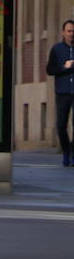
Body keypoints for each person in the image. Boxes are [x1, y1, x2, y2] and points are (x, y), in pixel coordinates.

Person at [46, 18, 74, 167]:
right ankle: (66, 151)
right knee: (61, 125)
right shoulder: (57, 49)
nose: (71, 34)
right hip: (62, 92)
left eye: (73, 31)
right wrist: (64, 68)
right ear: (63, 33)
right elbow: (50, 70)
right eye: (69, 31)